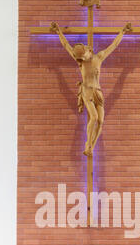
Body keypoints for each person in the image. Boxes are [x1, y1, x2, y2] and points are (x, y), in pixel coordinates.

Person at [50, 21, 133, 157]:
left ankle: (91, 147)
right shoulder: (81, 62)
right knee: (93, 117)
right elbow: (66, 45)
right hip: (87, 90)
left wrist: (122, 32)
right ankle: (87, 143)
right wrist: (59, 31)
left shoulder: (98, 57)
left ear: (89, 50)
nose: (81, 58)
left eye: (83, 55)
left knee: (100, 121)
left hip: (98, 91)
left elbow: (114, 45)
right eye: (79, 57)